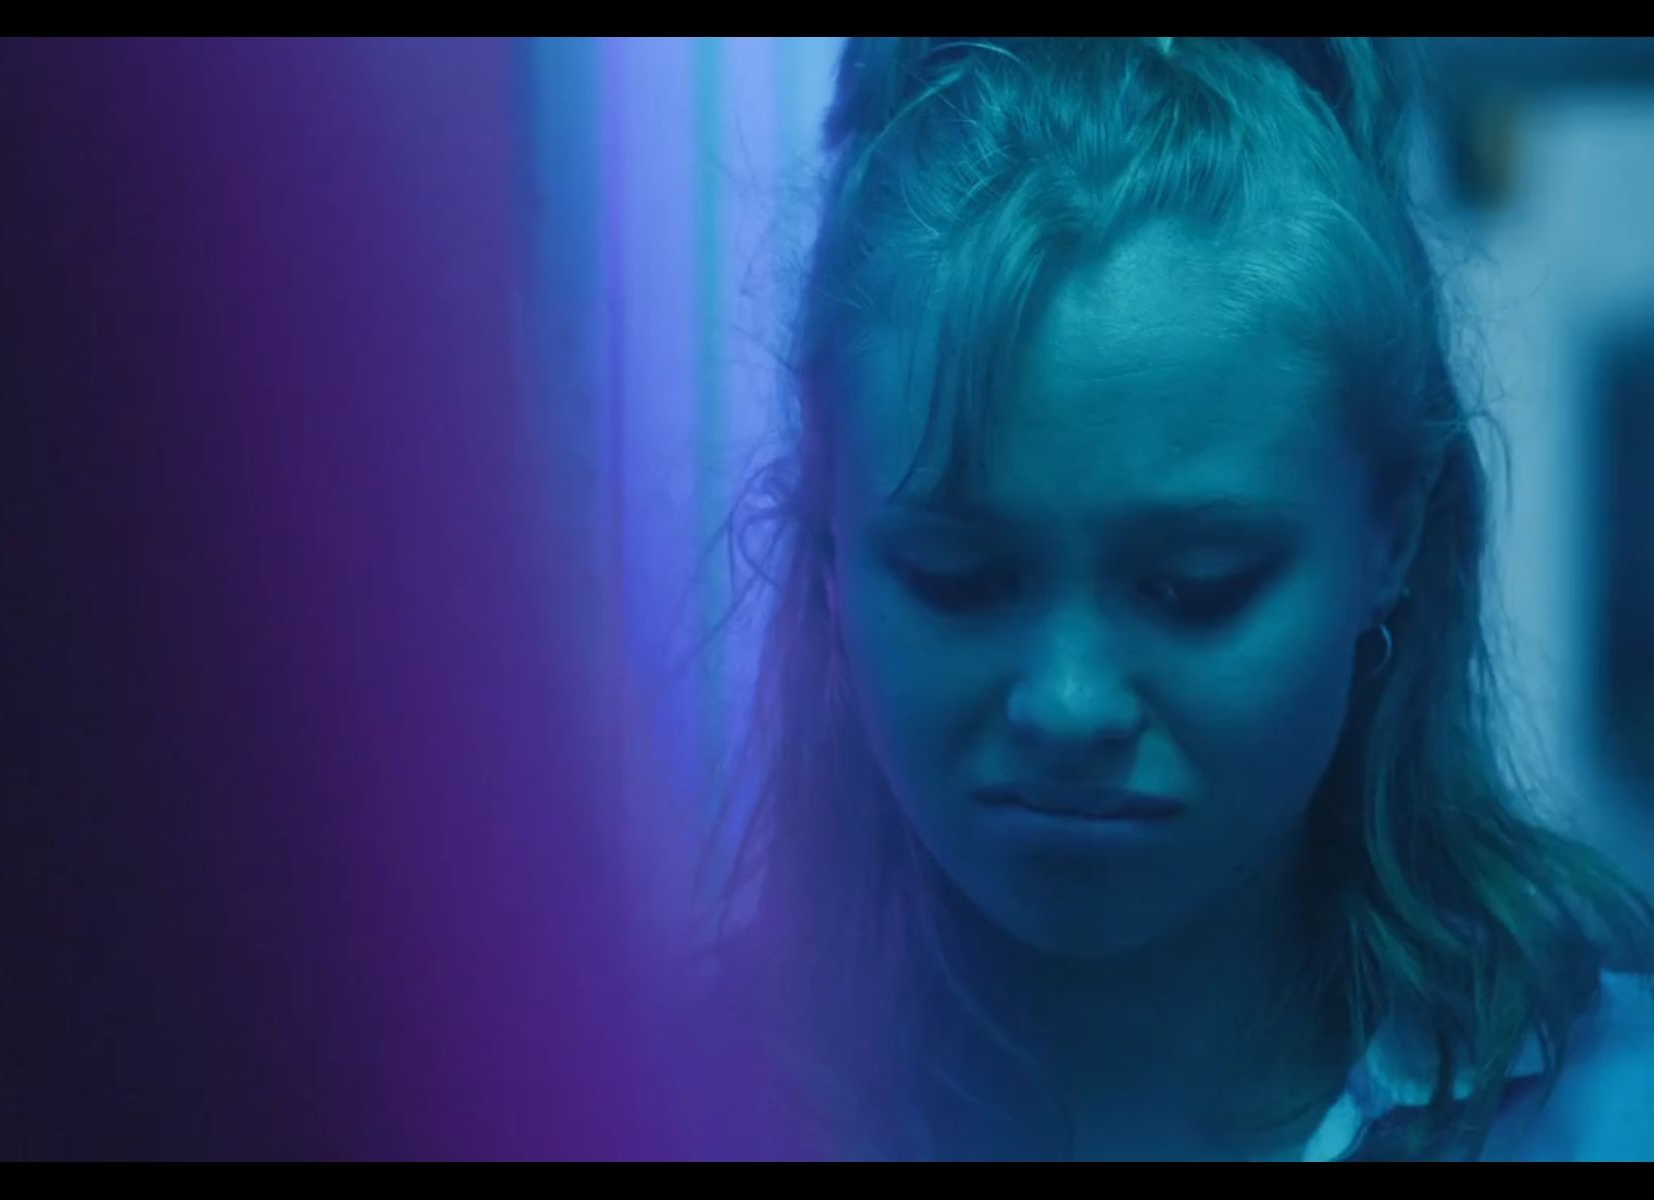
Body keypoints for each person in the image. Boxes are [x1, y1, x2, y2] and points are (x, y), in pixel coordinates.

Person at [703, 36, 1654, 1161]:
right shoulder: (627, 1103)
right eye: (958, 580)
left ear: (1390, 536)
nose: (1067, 706)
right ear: (827, 548)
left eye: (1192, 587)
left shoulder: (1614, 1115)